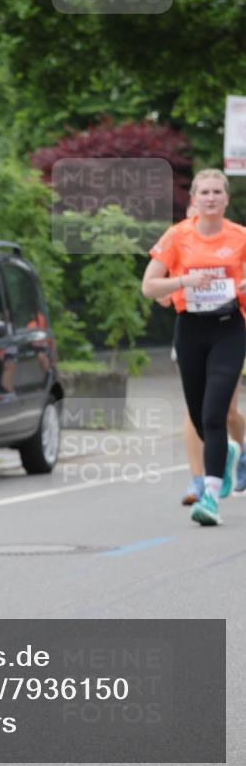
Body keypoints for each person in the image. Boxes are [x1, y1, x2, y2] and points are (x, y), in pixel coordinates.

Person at [142, 169, 246, 525]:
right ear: (195, 199)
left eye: (218, 191)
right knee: (202, 418)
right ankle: (228, 454)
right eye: (205, 192)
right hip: (190, 330)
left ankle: (211, 498)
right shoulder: (177, 236)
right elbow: (149, 286)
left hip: (229, 330)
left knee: (216, 413)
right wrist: (185, 280)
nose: (212, 197)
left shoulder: (240, 237)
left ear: (227, 199)